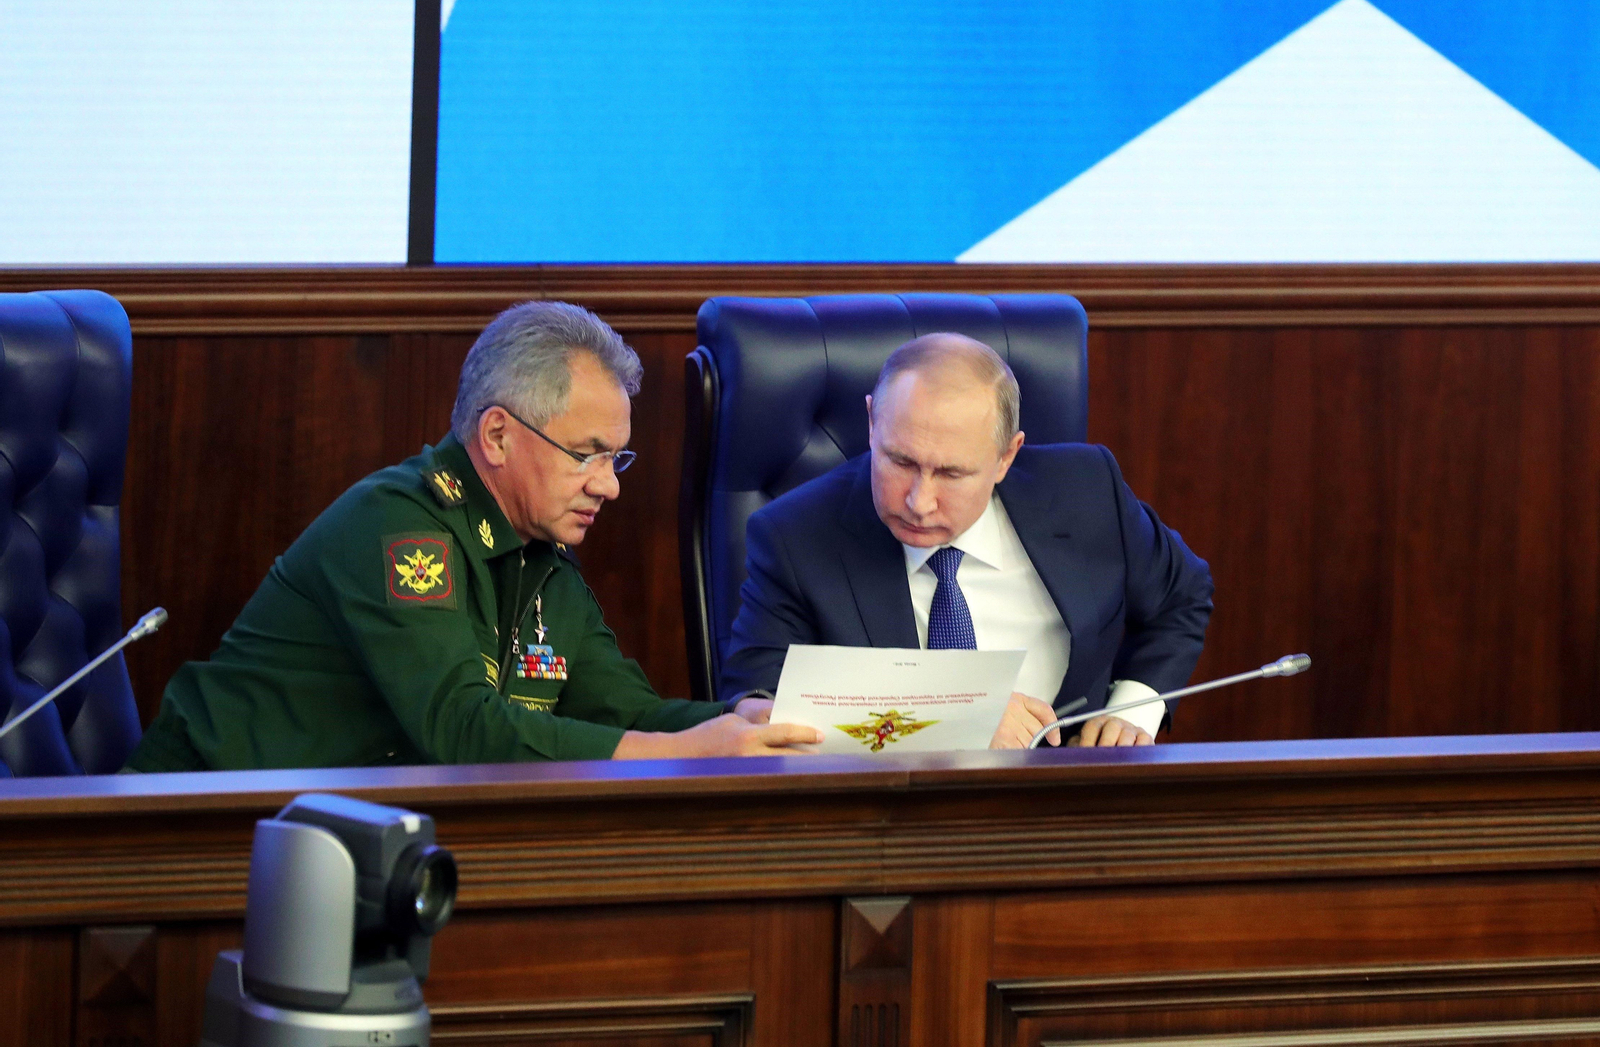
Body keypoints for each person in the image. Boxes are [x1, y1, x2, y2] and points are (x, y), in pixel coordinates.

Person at [127, 301, 819, 771]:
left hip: (328, 841)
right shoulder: (401, 527)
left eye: (616, 458)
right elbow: (460, 729)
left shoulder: (542, 555)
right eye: (589, 454)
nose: (609, 485)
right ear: (497, 435)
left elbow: (625, 710)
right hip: (191, 823)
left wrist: (741, 718)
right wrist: (689, 752)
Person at [720, 333, 1213, 749]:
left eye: (952, 473)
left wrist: (1134, 708)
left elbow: (1182, 595)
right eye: (900, 462)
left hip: (1065, 809)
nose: (919, 500)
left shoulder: (1086, 491)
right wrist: (953, 718)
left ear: (1006, 457)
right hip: (890, 821)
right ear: (872, 424)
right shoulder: (795, 535)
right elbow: (757, 703)